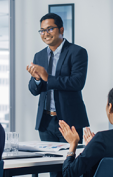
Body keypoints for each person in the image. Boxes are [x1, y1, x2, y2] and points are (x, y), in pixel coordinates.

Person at [27, 13, 89, 143]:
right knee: (46, 163)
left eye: (50, 29)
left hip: (70, 121)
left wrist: (47, 78)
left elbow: (77, 82)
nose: (45, 33)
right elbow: (34, 90)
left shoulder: (77, 52)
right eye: (42, 30)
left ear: (61, 30)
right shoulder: (39, 56)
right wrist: (37, 80)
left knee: (70, 160)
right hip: (45, 122)